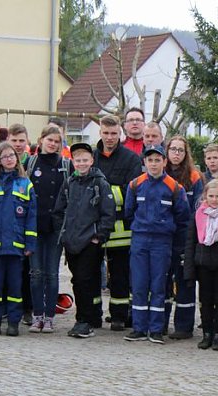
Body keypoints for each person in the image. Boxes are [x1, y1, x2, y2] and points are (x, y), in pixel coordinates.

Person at [123, 145, 190, 344]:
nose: (153, 164)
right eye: (150, 160)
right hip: (140, 240)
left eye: (157, 160)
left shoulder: (175, 187)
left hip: (162, 242)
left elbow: (183, 218)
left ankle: (156, 329)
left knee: (159, 285)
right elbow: (128, 212)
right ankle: (139, 328)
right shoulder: (135, 185)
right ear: (144, 162)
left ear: (164, 162)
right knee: (139, 284)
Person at [52, 142, 115, 339]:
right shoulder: (69, 183)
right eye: (77, 160)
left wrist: (99, 236)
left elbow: (108, 213)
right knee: (77, 280)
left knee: (86, 280)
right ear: (73, 162)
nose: (81, 164)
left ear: (92, 160)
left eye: (84, 160)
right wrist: (63, 232)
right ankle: (85, 318)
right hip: (71, 242)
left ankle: (85, 320)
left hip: (90, 241)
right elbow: (58, 210)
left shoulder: (100, 183)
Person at [0, 142, 37, 337]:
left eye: (12, 155)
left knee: (15, 286)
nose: (9, 159)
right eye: (4, 156)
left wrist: (30, 244)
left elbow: (31, 216)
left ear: (17, 158)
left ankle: (13, 323)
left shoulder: (25, 184)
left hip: (17, 246)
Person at [94, 114, 142, 331]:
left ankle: (119, 316)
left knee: (120, 274)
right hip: (93, 225)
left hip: (121, 228)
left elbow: (130, 191)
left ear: (120, 133)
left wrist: (102, 192)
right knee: (92, 273)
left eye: (114, 134)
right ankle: (92, 314)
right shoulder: (92, 156)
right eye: (106, 133)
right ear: (100, 132)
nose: (110, 137)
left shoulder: (131, 159)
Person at [26, 126, 69, 333]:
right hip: (34, 226)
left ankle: (50, 316)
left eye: (56, 141)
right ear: (41, 140)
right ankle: (37, 316)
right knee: (35, 273)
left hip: (55, 227)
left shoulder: (66, 165)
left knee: (52, 273)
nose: (52, 144)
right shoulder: (30, 163)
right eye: (49, 140)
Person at [183, 179, 218, 350]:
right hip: (203, 263)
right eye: (211, 196)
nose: (214, 199)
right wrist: (189, 270)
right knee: (205, 301)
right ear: (205, 196)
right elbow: (191, 242)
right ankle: (207, 333)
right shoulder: (198, 214)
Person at [165, 135, 204, 339]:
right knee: (162, 282)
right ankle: (160, 324)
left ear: (186, 153)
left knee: (185, 281)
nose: (177, 153)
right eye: (173, 149)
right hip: (163, 236)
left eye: (180, 150)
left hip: (185, 238)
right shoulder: (160, 174)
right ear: (167, 151)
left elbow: (198, 210)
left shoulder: (194, 177)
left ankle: (183, 326)